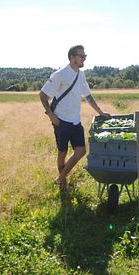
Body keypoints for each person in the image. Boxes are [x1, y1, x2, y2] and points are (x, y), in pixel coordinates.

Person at [39, 45, 109, 189]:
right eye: (82, 56)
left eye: (85, 56)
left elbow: (88, 96)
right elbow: (43, 95)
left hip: (75, 121)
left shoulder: (81, 74)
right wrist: (50, 115)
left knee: (81, 151)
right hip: (61, 121)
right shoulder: (60, 75)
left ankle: (60, 178)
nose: (84, 58)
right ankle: (63, 184)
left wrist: (100, 112)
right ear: (72, 57)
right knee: (62, 152)